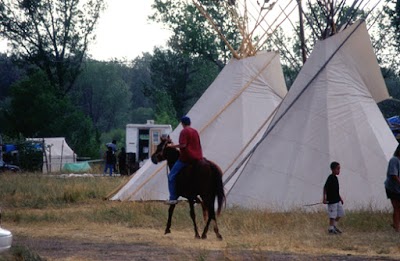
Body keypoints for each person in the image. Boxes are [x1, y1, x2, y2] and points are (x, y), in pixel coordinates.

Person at [165, 116, 203, 205]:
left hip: (187, 158)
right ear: (190, 123)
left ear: (182, 123)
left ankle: (173, 198)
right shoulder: (195, 131)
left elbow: (183, 145)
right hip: (198, 157)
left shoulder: (184, 131)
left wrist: (171, 146)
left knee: (171, 176)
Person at [323, 161, 344, 234]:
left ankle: (334, 226)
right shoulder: (330, 178)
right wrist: (324, 199)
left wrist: (340, 198)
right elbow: (325, 188)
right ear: (333, 169)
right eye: (337, 169)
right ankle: (331, 229)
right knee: (332, 215)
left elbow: (336, 190)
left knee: (340, 213)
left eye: (339, 169)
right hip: (332, 201)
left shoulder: (336, 178)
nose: (339, 171)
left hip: (337, 200)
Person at [384, 144, 400, 232]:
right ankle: (397, 227)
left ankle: (395, 224)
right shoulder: (394, 160)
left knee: (398, 207)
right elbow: (393, 175)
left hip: (398, 188)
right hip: (392, 188)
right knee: (397, 207)